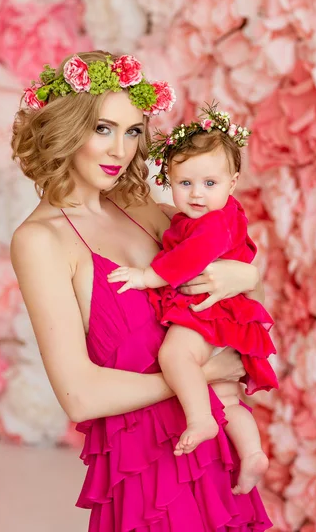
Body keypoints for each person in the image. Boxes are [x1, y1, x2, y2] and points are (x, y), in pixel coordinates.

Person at [10, 50, 272, 531]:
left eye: (132, 132)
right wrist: (203, 370)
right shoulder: (40, 241)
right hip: (147, 469)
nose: (121, 151)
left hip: (211, 451)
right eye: (103, 129)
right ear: (67, 129)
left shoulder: (141, 209)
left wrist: (248, 276)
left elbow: (230, 245)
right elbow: (80, 396)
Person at [108, 105, 277, 495]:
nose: (197, 194)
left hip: (208, 312)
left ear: (232, 183)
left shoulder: (213, 224)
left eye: (209, 184)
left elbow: (191, 258)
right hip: (224, 313)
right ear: (169, 181)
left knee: (173, 356)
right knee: (227, 394)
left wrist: (148, 276)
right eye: (185, 184)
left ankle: (201, 419)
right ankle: (251, 453)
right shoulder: (212, 215)